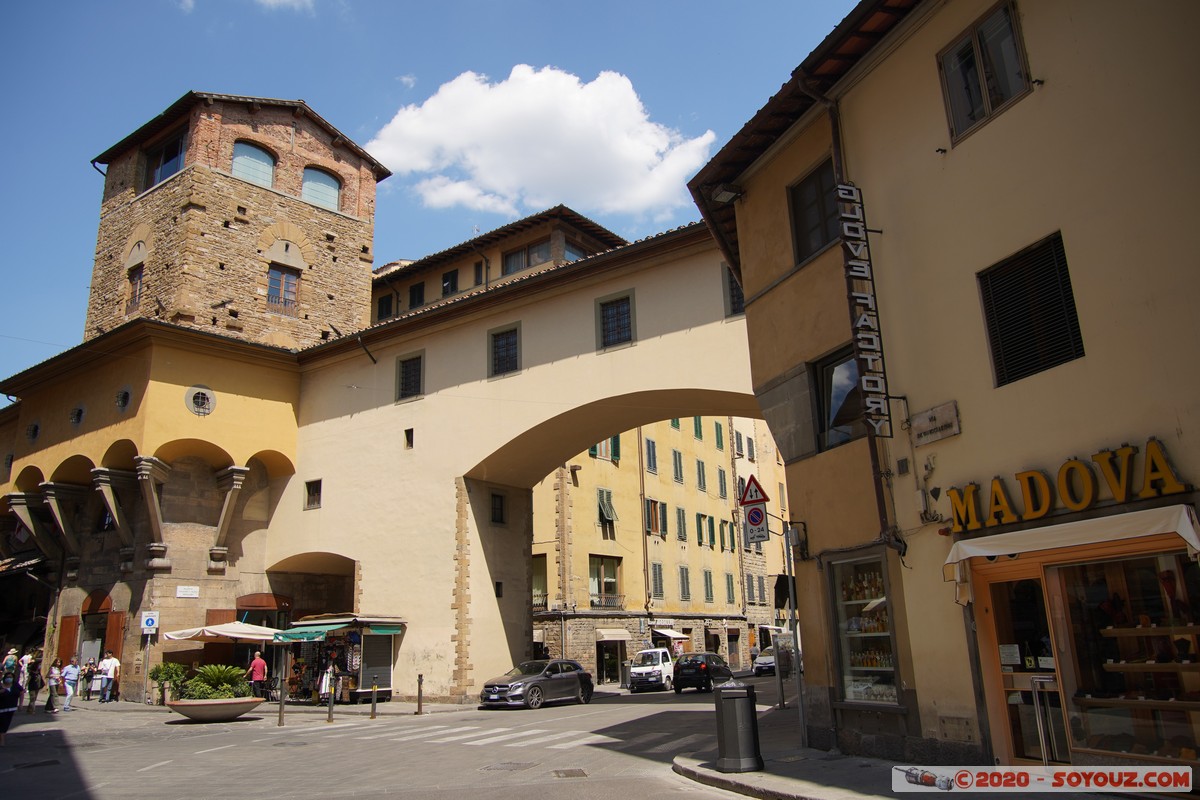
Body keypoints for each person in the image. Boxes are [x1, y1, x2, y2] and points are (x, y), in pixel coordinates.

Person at [0, 672, 20, 746]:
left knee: (6, 724)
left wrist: (20, 704)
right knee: (2, 724)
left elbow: (21, 692)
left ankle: (2, 738)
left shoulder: (15, 685)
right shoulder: (1, 686)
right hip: (1, 709)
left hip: (11, 709)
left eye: (11, 677)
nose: (9, 679)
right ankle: (2, 740)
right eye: (8, 677)